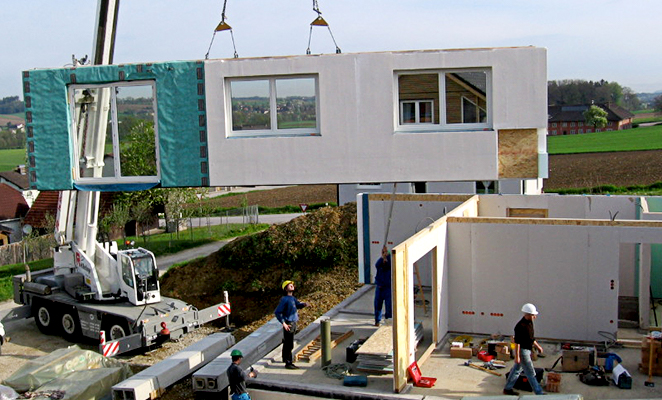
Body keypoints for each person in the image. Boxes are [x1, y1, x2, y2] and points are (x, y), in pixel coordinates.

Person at [503, 303, 545, 396]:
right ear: (527, 314)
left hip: (527, 349)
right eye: (533, 315)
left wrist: (538, 346)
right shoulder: (520, 326)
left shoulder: (530, 323)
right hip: (523, 351)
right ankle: (539, 393)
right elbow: (517, 343)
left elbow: (531, 338)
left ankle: (507, 388)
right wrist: (517, 356)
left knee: (516, 370)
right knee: (531, 373)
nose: (535, 316)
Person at [274, 280, 307, 370]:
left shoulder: (293, 298)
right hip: (289, 324)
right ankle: (288, 363)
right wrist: (284, 323)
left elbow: (297, 305)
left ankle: (285, 358)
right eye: (290, 285)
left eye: (292, 285)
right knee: (289, 344)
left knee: (287, 342)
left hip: (293, 323)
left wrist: (303, 304)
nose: (292, 286)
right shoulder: (284, 299)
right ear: (285, 288)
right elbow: (277, 312)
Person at [373, 245, 392, 326]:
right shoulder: (380, 265)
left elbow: (390, 264)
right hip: (380, 287)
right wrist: (382, 257)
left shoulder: (389, 265)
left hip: (387, 287)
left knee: (389, 306)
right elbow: (377, 265)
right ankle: (377, 320)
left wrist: (387, 256)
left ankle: (388, 321)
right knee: (377, 304)